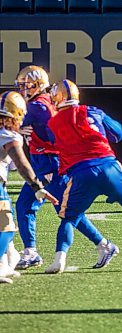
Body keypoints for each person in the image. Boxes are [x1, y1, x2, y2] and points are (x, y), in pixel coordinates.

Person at [44, 79, 122, 274]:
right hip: (109, 165)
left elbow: (52, 141)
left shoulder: (53, 122)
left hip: (81, 173)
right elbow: (118, 133)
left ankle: (59, 260)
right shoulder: (93, 111)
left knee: (69, 218)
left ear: (58, 97)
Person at [14, 65, 118, 270]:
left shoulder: (38, 107)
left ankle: (104, 244)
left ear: (37, 85)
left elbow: (54, 136)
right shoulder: (42, 103)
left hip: (50, 164)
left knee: (67, 212)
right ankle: (30, 252)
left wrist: (19, 128)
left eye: (26, 85)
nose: (22, 90)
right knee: (25, 205)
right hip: (41, 165)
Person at [0, 91, 58, 283]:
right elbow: (21, 164)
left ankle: (5, 262)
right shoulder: (7, 134)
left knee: (9, 221)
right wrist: (36, 185)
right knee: (7, 227)